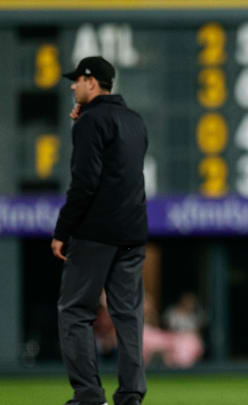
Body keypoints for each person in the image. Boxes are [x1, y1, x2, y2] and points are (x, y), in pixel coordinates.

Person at [51, 56, 149, 405]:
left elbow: (85, 183)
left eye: (76, 80)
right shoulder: (134, 120)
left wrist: (63, 229)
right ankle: (131, 395)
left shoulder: (91, 122)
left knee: (75, 311)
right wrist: (88, 118)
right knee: (128, 315)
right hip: (133, 232)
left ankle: (89, 395)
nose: (73, 86)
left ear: (92, 82)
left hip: (96, 232)